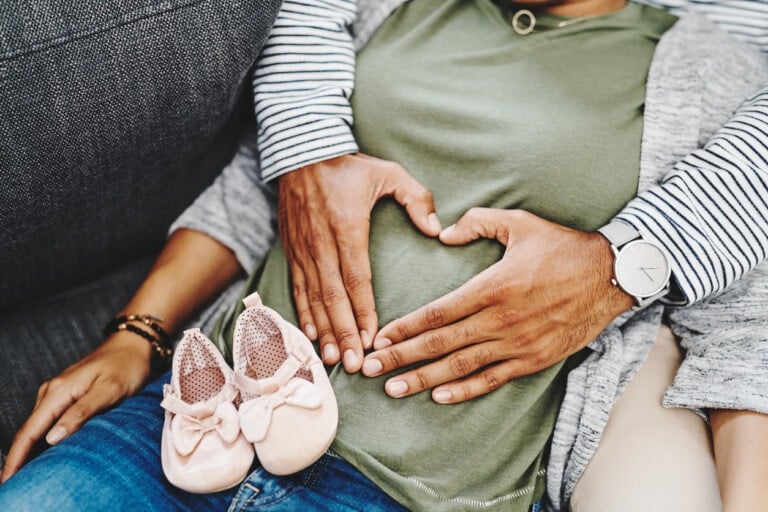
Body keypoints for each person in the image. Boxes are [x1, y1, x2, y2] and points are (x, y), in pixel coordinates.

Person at [1, 0, 767, 511]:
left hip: (423, 494)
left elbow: (740, 328)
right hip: (194, 427)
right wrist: (135, 337)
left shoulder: (712, 70)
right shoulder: (391, 9)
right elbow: (258, 188)